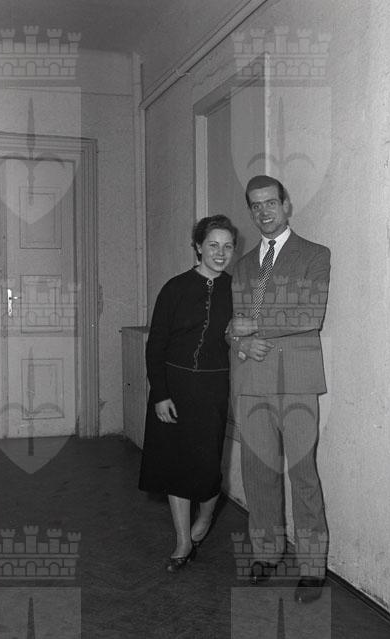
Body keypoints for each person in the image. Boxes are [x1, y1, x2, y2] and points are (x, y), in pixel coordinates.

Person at [229, 175, 330, 603]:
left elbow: (311, 315)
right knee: (258, 474)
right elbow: (232, 326)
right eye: (255, 206)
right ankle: (266, 553)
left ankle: (312, 567)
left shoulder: (314, 255)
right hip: (254, 380)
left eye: (270, 203)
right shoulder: (241, 265)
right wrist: (240, 341)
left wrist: (253, 328)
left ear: (286, 205)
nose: (263, 212)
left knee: (302, 474)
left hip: (298, 381)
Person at [138, 214, 237, 572]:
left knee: (208, 467)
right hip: (174, 390)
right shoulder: (175, 288)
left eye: (227, 246)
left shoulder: (237, 290)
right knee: (175, 465)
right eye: (213, 245)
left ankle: (206, 516)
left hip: (213, 389)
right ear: (197, 247)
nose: (220, 253)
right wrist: (160, 394)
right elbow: (156, 345)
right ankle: (182, 540)